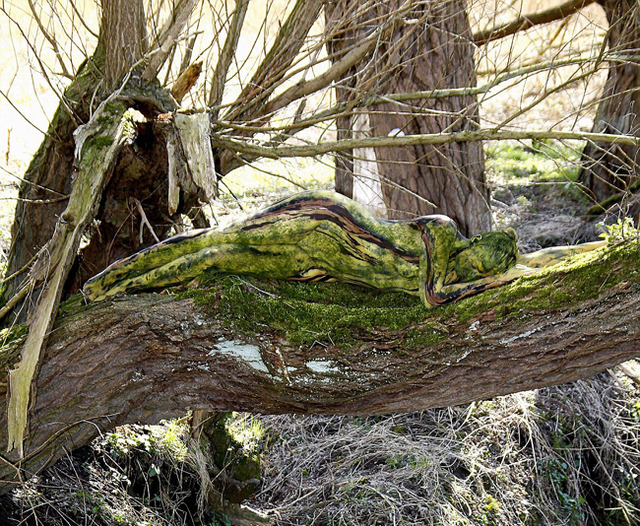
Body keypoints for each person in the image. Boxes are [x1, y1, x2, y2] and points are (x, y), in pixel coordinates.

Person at [82, 191, 607, 307]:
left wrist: (596, 251)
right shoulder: (442, 232)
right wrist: (492, 279)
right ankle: (111, 280)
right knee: (220, 239)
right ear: (474, 247)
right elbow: (435, 296)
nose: (473, 267)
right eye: (478, 259)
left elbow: (547, 263)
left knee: (219, 258)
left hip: (315, 260)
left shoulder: (455, 269)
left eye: (482, 268)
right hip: (321, 222)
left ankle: (118, 285)